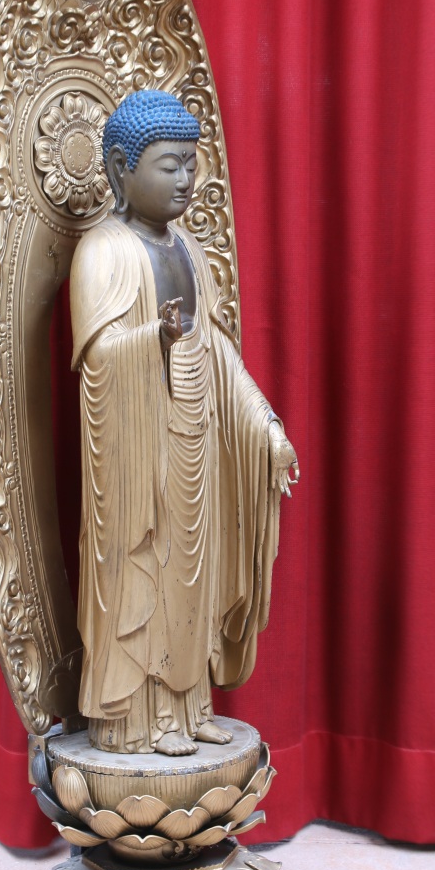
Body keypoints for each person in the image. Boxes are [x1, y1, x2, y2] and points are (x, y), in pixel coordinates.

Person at [69, 90, 299, 756]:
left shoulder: (190, 250)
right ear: (121, 168)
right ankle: (137, 722)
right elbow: (96, 361)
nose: (184, 180)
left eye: (191, 166)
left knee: (191, 579)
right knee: (147, 577)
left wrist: (265, 425)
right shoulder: (102, 252)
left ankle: (189, 705)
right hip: (137, 460)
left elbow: (218, 351)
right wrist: (155, 339)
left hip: (196, 439)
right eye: (168, 166)